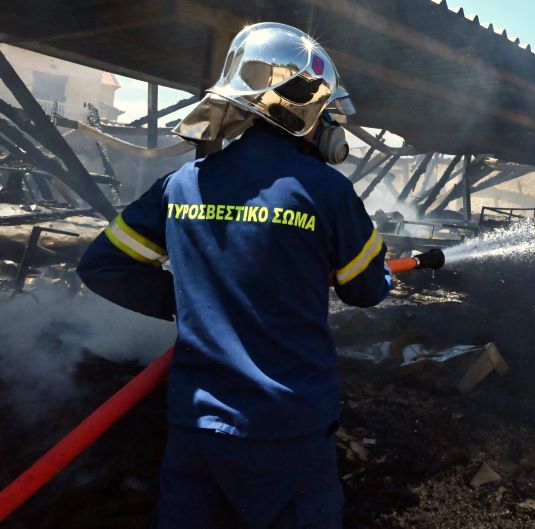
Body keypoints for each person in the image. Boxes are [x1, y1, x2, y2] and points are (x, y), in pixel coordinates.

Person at [77, 22, 392, 529]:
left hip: (198, 426)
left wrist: (184, 299)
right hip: (289, 428)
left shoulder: (181, 186)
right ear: (311, 117)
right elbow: (369, 289)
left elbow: (101, 266)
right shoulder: (328, 192)